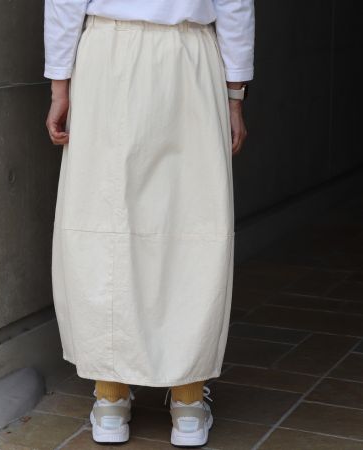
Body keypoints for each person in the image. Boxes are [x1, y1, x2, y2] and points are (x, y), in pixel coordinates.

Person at [44, 0, 254, 446]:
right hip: (189, 60)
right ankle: (188, 405)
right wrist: (234, 96)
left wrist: (60, 86)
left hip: (107, 57)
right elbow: (234, 3)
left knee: (103, 221)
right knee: (193, 222)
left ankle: (110, 400)